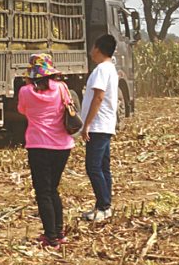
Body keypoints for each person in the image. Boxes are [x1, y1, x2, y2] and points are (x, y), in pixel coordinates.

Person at [17, 54, 74, 249]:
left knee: (43, 192)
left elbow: (22, 111)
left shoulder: (25, 91)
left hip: (38, 146)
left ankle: (51, 237)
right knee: (53, 189)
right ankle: (58, 232)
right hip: (62, 146)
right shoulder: (62, 88)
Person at [80, 34, 120, 222]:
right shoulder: (110, 68)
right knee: (103, 167)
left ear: (97, 48)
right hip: (105, 124)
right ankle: (104, 206)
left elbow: (98, 97)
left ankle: (103, 206)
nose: (90, 51)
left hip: (98, 125)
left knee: (93, 167)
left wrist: (87, 124)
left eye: (92, 47)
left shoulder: (101, 70)